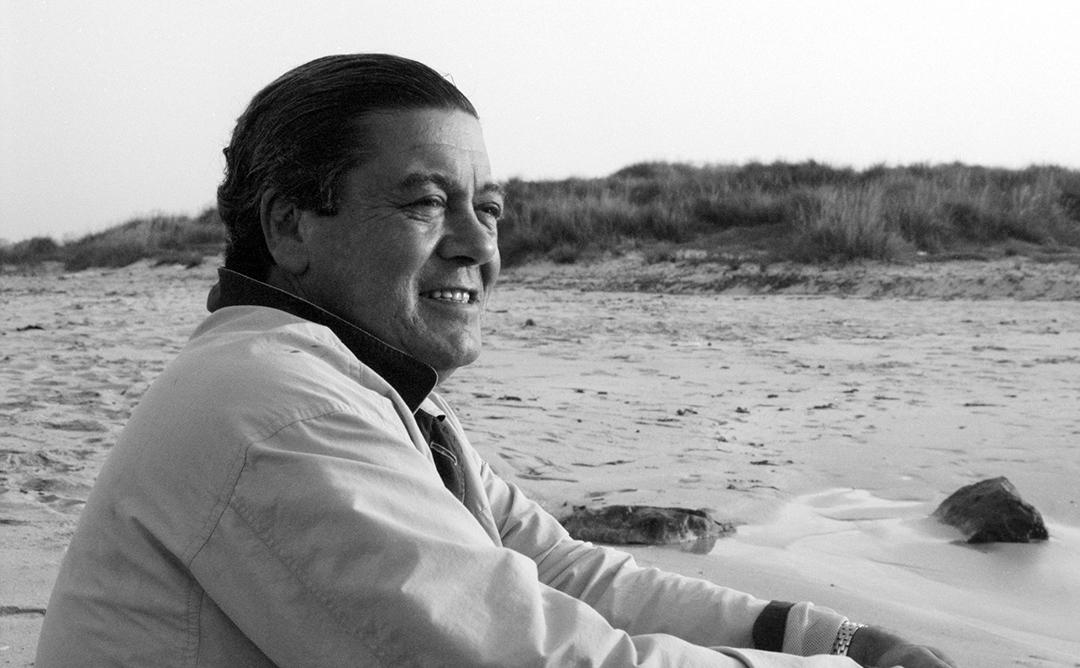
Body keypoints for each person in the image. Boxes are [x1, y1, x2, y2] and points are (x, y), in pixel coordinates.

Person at [36, 54, 957, 667]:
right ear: (290, 226)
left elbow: (561, 570)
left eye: (490, 208)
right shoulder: (278, 408)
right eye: (425, 203)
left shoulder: (364, 389)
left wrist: (829, 637)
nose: (478, 244)